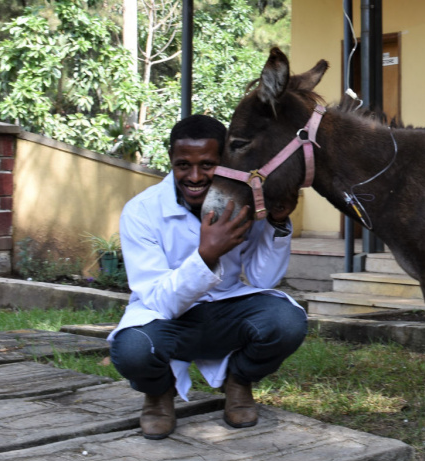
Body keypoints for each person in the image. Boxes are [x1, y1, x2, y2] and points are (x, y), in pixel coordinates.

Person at [108, 114, 307, 439]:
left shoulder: (241, 203)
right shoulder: (141, 211)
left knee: (287, 322)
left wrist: (278, 223)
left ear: (226, 161)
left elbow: (262, 280)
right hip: (167, 320)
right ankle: (159, 395)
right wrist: (206, 254)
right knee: (133, 350)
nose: (195, 176)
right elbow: (158, 300)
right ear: (170, 159)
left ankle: (239, 381)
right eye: (183, 164)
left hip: (227, 312)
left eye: (208, 164)